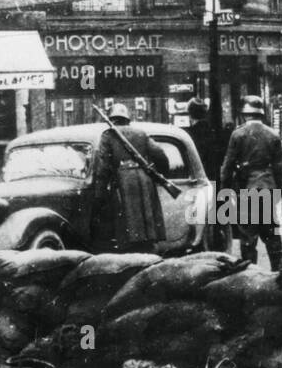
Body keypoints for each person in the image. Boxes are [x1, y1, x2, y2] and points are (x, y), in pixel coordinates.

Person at [91, 103, 170, 254]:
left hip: (123, 184)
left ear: (111, 119)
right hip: (145, 182)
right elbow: (160, 155)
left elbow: (103, 169)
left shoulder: (108, 135)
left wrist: (99, 196)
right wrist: (157, 175)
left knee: (127, 233)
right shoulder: (141, 133)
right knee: (147, 231)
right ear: (127, 119)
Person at [220, 96, 282, 269]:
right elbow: (280, 168)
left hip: (247, 187)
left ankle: (251, 273)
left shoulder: (238, 134)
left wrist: (224, 192)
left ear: (244, 115)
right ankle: (277, 273)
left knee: (248, 237)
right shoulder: (273, 134)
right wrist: (278, 190)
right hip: (268, 186)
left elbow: (227, 167)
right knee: (272, 235)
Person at [184, 97, 221, 182]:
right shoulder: (212, 131)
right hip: (212, 175)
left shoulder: (190, 134)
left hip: (198, 177)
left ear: (190, 114)